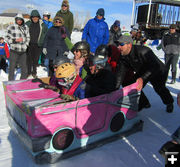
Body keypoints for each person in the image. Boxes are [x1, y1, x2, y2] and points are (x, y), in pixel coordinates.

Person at [115, 35, 174, 113]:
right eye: (117, 45)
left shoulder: (143, 51)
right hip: (144, 70)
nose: (118, 47)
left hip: (159, 71)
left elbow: (154, 66)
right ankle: (144, 103)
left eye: (121, 44)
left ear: (129, 44)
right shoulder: (123, 56)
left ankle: (169, 102)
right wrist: (115, 88)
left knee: (159, 88)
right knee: (131, 84)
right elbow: (120, 73)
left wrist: (142, 78)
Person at [6, 13, 30, 80]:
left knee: (24, 67)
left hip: (23, 51)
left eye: (21, 20)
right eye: (18, 20)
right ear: (16, 20)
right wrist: (14, 40)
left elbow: (28, 37)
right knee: (12, 67)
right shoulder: (11, 27)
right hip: (14, 50)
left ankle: (22, 81)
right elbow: (7, 38)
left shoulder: (25, 27)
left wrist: (26, 45)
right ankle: (10, 81)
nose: (19, 21)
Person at [26, 9, 48, 78]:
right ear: (31, 17)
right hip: (29, 44)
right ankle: (29, 72)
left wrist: (44, 44)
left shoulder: (42, 24)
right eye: (33, 17)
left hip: (38, 45)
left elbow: (46, 34)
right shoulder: (28, 24)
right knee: (29, 59)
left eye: (36, 17)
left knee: (35, 60)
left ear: (38, 17)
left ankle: (34, 72)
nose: (35, 18)